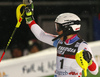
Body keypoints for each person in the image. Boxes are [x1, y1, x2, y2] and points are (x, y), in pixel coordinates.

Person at [24, 3, 99, 77]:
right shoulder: (59, 41)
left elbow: (95, 72)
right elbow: (41, 35)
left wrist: (89, 61)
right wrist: (30, 19)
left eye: (58, 27)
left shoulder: (81, 45)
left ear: (68, 29)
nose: (57, 31)